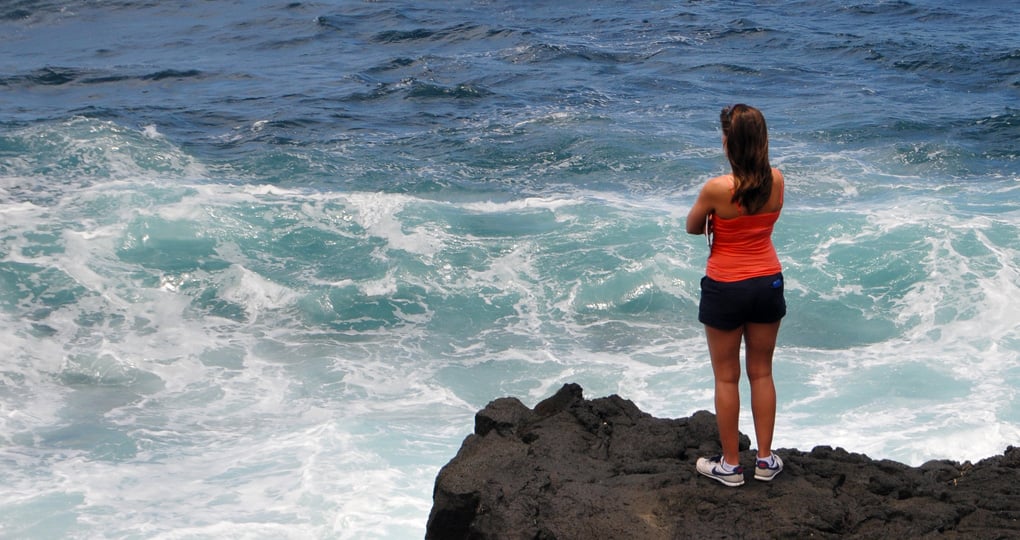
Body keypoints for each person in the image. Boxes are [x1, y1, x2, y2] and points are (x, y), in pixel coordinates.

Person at [685, 104, 786, 487]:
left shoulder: (716, 189)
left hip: (725, 286)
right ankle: (764, 460)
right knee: (761, 371)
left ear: (729, 144)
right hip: (766, 282)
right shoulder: (776, 180)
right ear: (762, 142)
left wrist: (714, 214)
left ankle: (730, 465)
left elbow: (693, 227)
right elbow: (766, 216)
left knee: (727, 378)